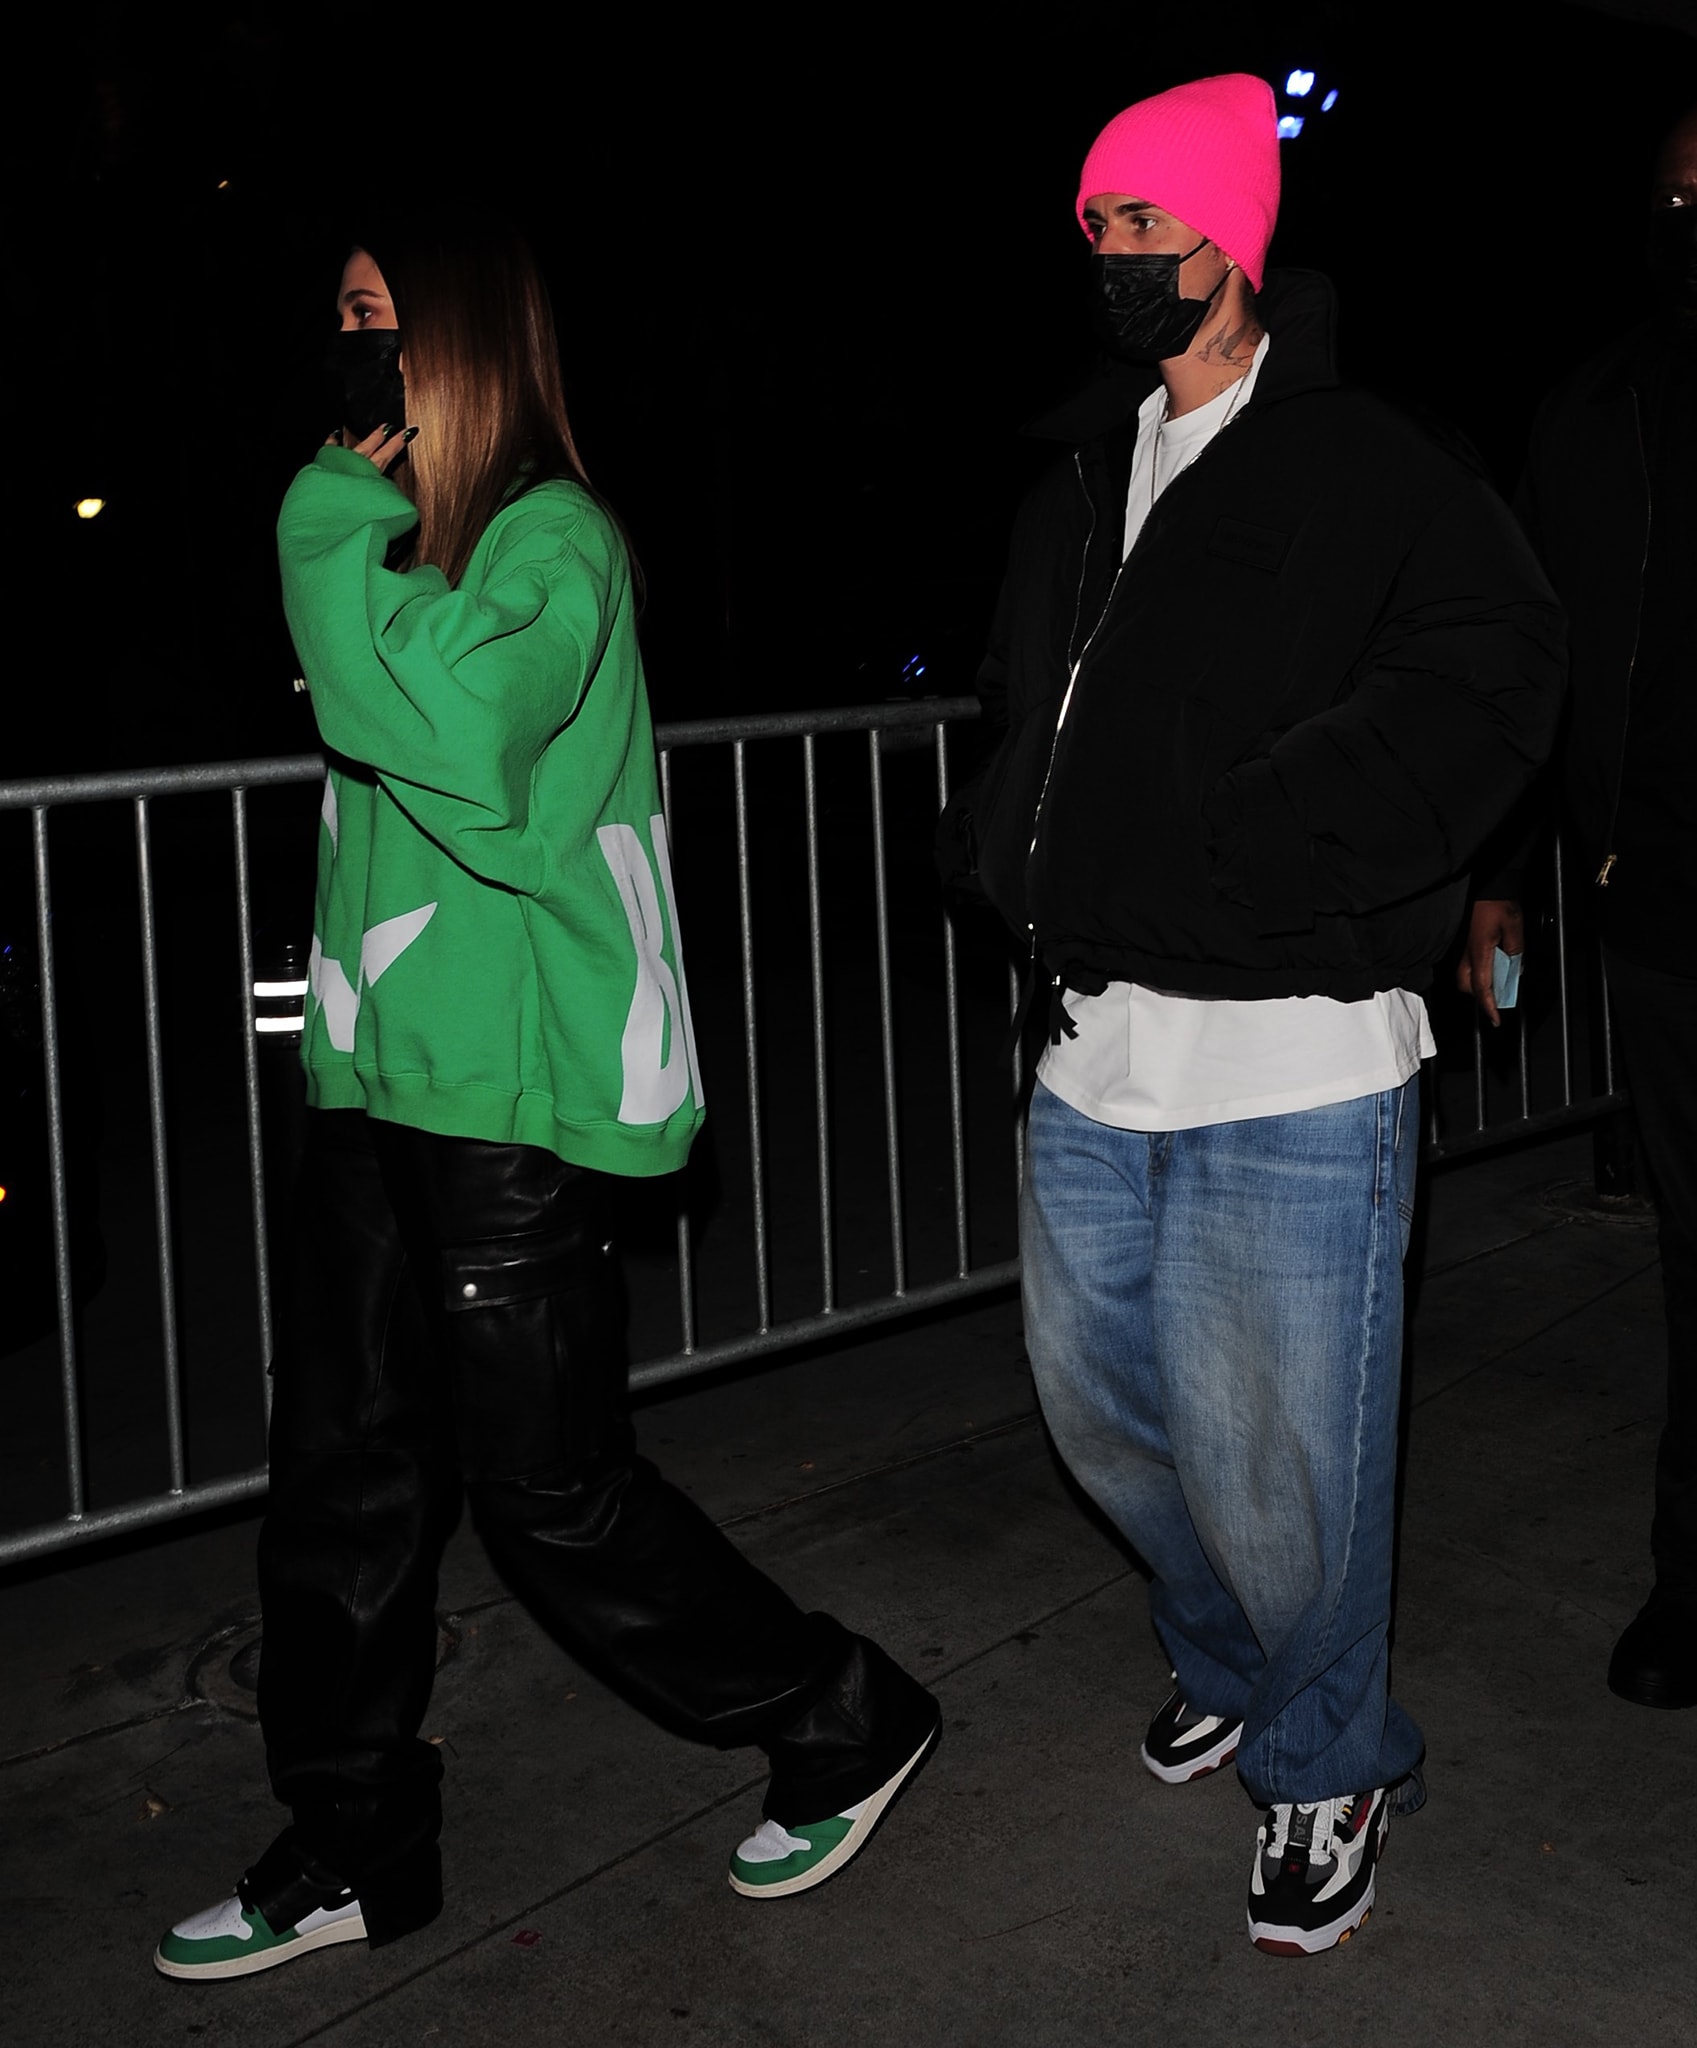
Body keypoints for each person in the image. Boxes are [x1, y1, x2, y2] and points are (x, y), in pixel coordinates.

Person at [154, 213, 939, 1982]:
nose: (345, 348)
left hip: (507, 1095)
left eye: (373, 316)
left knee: (549, 1492)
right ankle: (355, 1837)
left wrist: (322, 520)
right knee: (342, 1475)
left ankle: (839, 1711)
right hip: (376, 1075)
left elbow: (454, 754)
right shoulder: (408, 545)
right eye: (336, 317)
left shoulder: (551, 542)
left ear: (455, 342)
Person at [941, 75, 1564, 1955]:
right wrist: (996, 848)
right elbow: (1020, 706)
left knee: (1285, 1465)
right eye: (1092, 229)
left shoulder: (1367, 461)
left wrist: (1269, 838)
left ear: (1228, 243)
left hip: (1292, 1055)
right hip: (1093, 1048)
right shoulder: (1079, 473)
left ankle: (1323, 1753)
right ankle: (1230, 1652)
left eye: (1138, 226)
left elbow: (1489, 675)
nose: (1109, 260)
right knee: (1109, 1417)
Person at [1461, 103, 1697, 1711]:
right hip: (1666, 914)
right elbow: (1526, 673)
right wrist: (1493, 871)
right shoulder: (1594, 410)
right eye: (1678, 192)